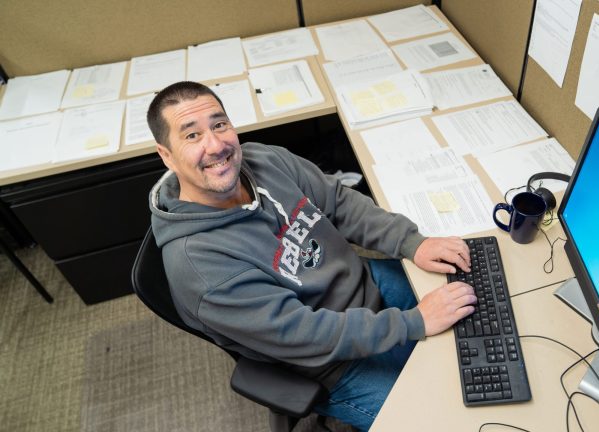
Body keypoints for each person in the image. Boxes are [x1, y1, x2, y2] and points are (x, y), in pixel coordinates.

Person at [147, 81, 476, 430]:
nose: (215, 145)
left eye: (219, 125)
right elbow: (304, 334)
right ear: (166, 154)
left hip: (361, 283)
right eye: (192, 136)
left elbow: (339, 201)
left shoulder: (264, 160)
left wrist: (412, 243)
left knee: (481, 300)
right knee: (447, 422)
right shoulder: (200, 266)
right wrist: (414, 322)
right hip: (329, 362)